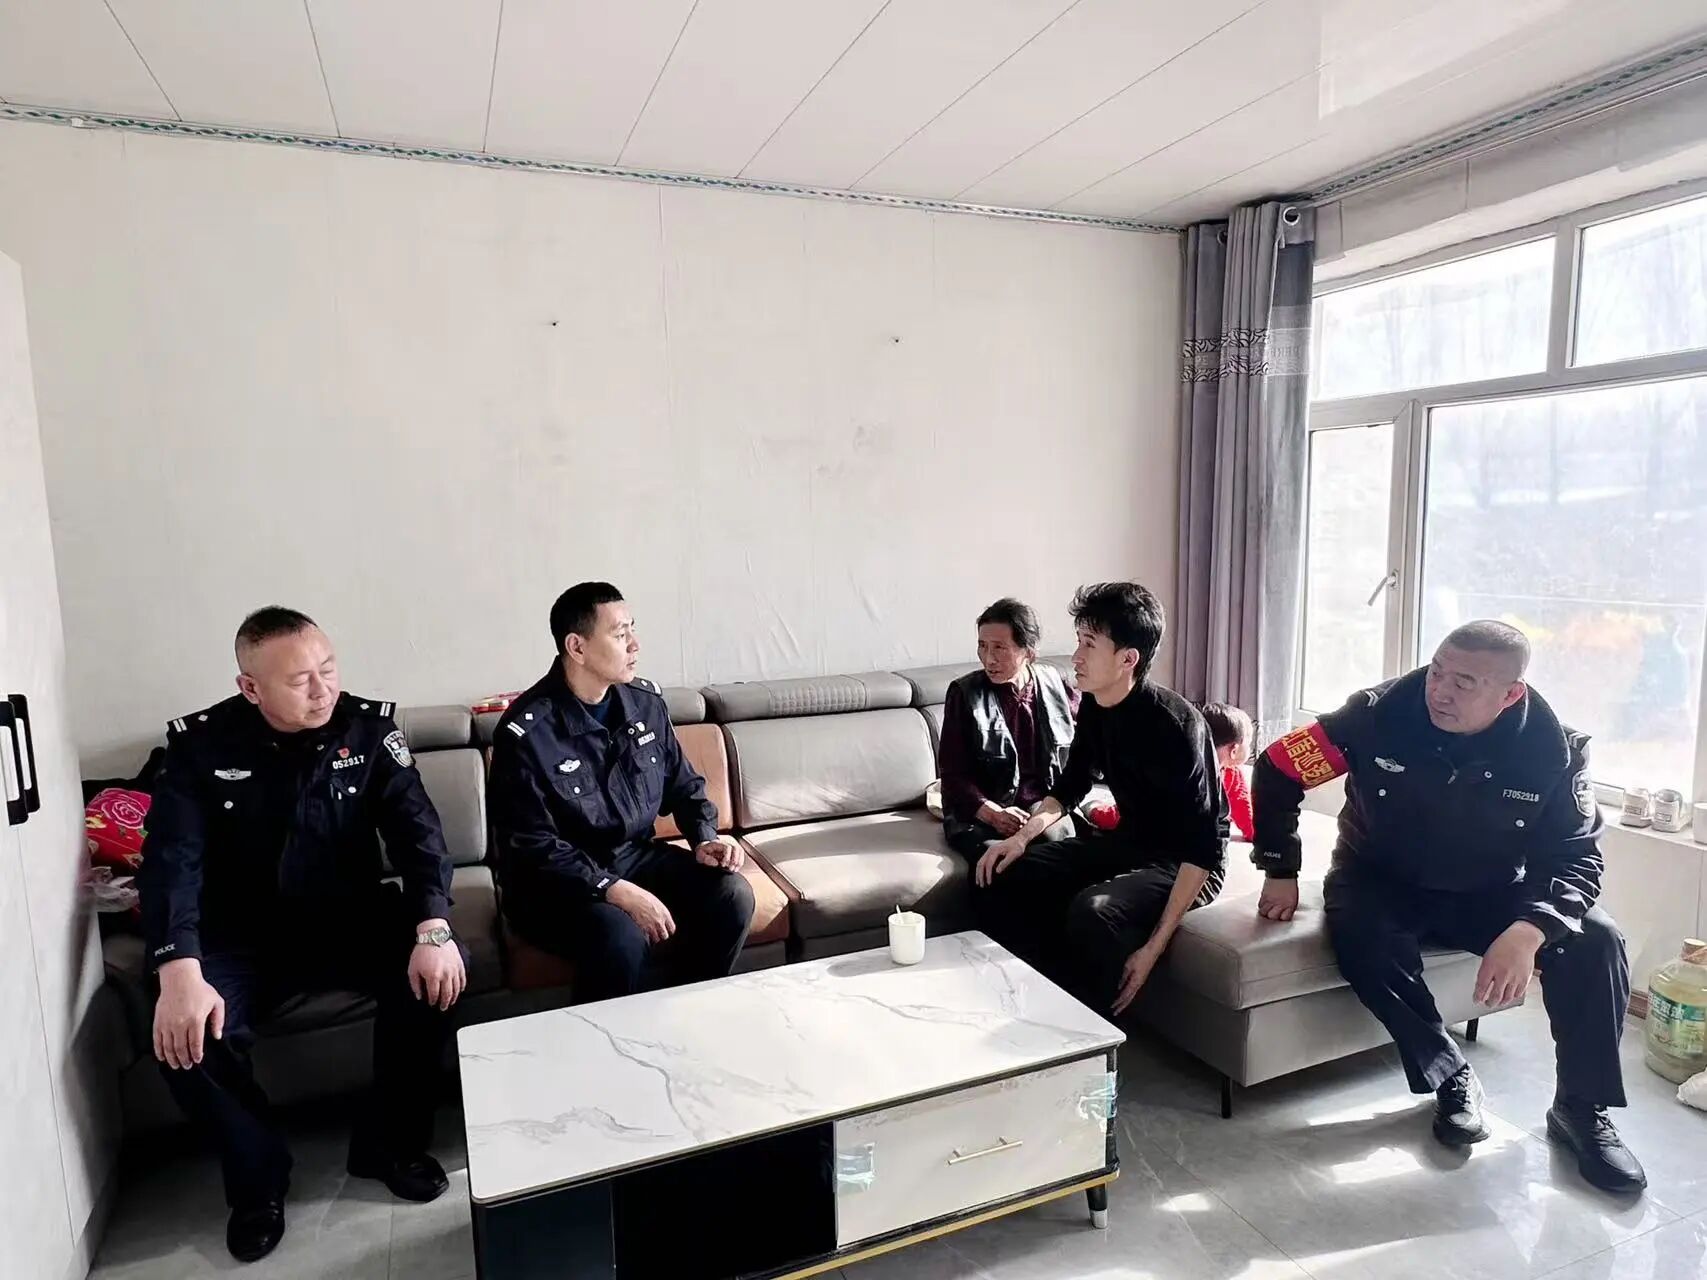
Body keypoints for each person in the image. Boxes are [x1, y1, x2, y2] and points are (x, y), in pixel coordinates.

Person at [1251, 621, 1645, 1194]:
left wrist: (1530, 929)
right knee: (1361, 936)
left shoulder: (1553, 753)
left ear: (1511, 694)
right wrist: (1280, 868)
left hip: (1490, 889)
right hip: (1379, 878)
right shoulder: (1375, 717)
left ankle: (1581, 1110)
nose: (1440, 690)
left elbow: (1575, 856)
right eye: (1437, 671)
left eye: (1464, 682)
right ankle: (1449, 1073)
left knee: (1599, 941)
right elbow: (1280, 767)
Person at [139, 608, 466, 1263]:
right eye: (299, 680)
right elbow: (172, 861)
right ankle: (259, 1183)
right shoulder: (201, 748)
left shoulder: (368, 730)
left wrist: (433, 925)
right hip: (239, 935)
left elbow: (419, 835)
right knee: (188, 1037)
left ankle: (389, 1146)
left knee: (435, 979)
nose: (322, 690)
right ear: (250, 688)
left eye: (328, 669)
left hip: (348, 918)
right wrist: (177, 968)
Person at [489, 582, 754, 1002]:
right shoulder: (527, 732)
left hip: (632, 858)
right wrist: (613, 889)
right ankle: (606, 1038)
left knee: (731, 895)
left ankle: (686, 1007)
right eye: (619, 634)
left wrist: (705, 838)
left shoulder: (644, 704)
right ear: (577, 647)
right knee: (619, 933)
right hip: (553, 885)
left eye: (633, 629)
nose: (635, 644)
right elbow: (533, 846)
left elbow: (684, 785)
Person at [974, 582, 1227, 1016]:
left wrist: (1151, 949)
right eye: (1078, 641)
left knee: (1093, 912)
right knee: (1002, 870)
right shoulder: (1095, 703)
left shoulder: (1177, 727)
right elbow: (1071, 785)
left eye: (1089, 644)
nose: (1076, 657)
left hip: (1186, 863)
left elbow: (1203, 848)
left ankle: (1094, 1037)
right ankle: (1024, 1002)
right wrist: (1020, 839)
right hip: (1131, 843)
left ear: (1128, 659)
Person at [938, 597, 1080, 861]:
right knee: (1004, 861)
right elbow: (953, 776)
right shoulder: (964, 694)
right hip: (983, 813)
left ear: (1029, 652)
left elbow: (1089, 739)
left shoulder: (1054, 683)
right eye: (982, 646)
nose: (988, 659)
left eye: (1000, 648)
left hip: (1043, 805)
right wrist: (993, 813)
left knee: (1059, 845)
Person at [1202, 702, 1255, 842]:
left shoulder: (1232, 773)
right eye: (1249, 743)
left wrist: (1257, 835)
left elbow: (1243, 810)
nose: (1249, 748)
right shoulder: (1229, 774)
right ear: (1234, 750)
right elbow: (1243, 808)